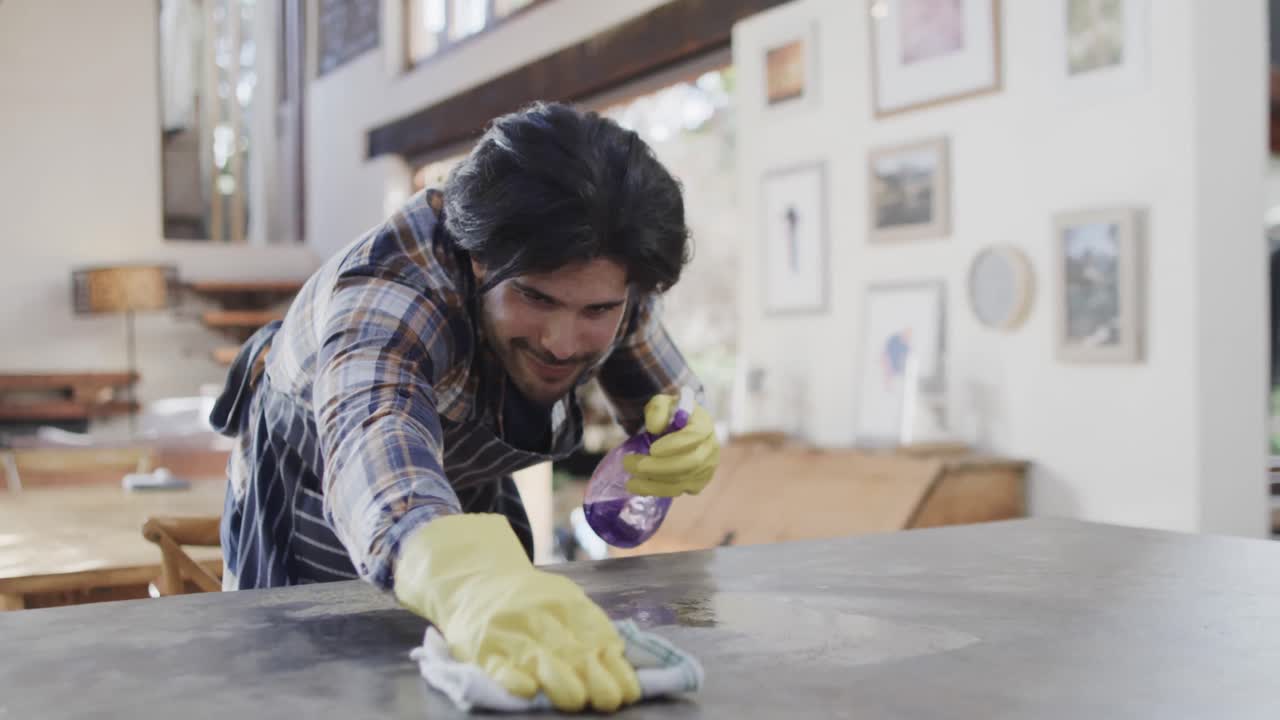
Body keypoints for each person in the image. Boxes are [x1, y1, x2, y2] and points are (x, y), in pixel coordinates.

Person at [208, 101, 721, 712]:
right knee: (326, 688)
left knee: (490, 664)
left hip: (458, 488)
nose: (562, 343)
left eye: (597, 312)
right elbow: (375, 436)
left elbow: (672, 401)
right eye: (533, 296)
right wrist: (467, 578)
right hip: (312, 487)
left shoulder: (616, 276)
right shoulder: (392, 287)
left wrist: (684, 431)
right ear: (478, 260)